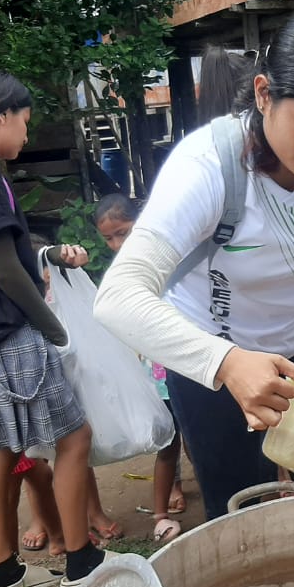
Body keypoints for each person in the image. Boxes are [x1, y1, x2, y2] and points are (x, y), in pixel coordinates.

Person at [93, 12, 294, 520]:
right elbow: (117, 297)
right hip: (210, 361)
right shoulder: (207, 167)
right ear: (264, 94)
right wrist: (226, 363)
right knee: (242, 515)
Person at [0, 70, 107, 587]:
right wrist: (53, 329)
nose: (27, 135)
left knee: (0, 454)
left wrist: (46, 256)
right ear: (2, 115)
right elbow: (4, 269)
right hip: (10, 335)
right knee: (74, 437)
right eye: (25, 122)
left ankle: (2, 573)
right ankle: (81, 561)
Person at [95, 193, 186, 541]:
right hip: (153, 372)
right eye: (109, 238)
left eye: (124, 232)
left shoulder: (166, 259)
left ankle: (205, 488)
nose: (117, 244)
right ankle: (161, 510)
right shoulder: (120, 273)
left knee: (193, 435)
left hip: (182, 362)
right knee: (168, 439)